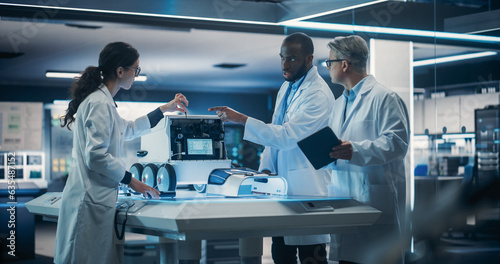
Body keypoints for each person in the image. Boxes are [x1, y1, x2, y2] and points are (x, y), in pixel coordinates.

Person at [55, 42, 189, 264]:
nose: (136, 74)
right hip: (89, 200)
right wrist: (131, 181)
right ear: (120, 71)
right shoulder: (99, 103)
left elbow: (127, 129)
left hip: (93, 199)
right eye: (135, 69)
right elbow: (96, 156)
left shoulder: (103, 101)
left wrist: (164, 109)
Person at [209, 32, 335, 264]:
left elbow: (287, 136)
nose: (285, 65)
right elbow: (273, 134)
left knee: (312, 257)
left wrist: (242, 119)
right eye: (282, 58)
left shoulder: (318, 94)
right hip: (282, 189)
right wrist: (265, 171)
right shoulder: (287, 88)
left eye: (293, 59)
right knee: (281, 254)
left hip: (308, 188)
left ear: (309, 59)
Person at [325, 35, 410, 264]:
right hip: (343, 199)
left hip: (373, 200)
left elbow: (397, 144)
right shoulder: (338, 104)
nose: (328, 67)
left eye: (329, 61)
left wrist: (355, 150)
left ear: (344, 64)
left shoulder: (385, 98)